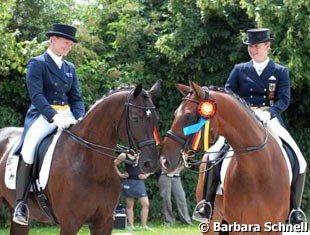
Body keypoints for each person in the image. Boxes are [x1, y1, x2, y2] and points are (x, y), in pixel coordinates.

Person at [195, 28, 307, 225]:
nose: (253, 50)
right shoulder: (240, 69)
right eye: (250, 46)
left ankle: (294, 210)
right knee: (213, 154)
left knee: (299, 158)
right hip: (242, 122)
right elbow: (228, 94)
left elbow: (284, 99)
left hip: (269, 119)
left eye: (257, 46)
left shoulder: (280, 71)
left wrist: (268, 113)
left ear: (267, 46)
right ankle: (207, 204)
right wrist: (244, 113)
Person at [12, 23, 85, 225]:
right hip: (43, 116)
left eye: (71, 44)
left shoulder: (70, 68)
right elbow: (36, 95)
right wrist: (54, 117)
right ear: (52, 39)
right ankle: (21, 204)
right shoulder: (38, 63)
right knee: (28, 148)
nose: (68, 46)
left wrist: (79, 118)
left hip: (68, 115)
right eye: (66, 42)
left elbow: (76, 98)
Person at [114, 153, 151, 231]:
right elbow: (113, 164)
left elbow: (151, 166)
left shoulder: (143, 154)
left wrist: (146, 175)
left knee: (145, 204)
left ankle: (143, 226)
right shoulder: (124, 155)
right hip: (129, 182)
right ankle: (131, 226)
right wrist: (120, 174)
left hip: (139, 183)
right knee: (129, 205)